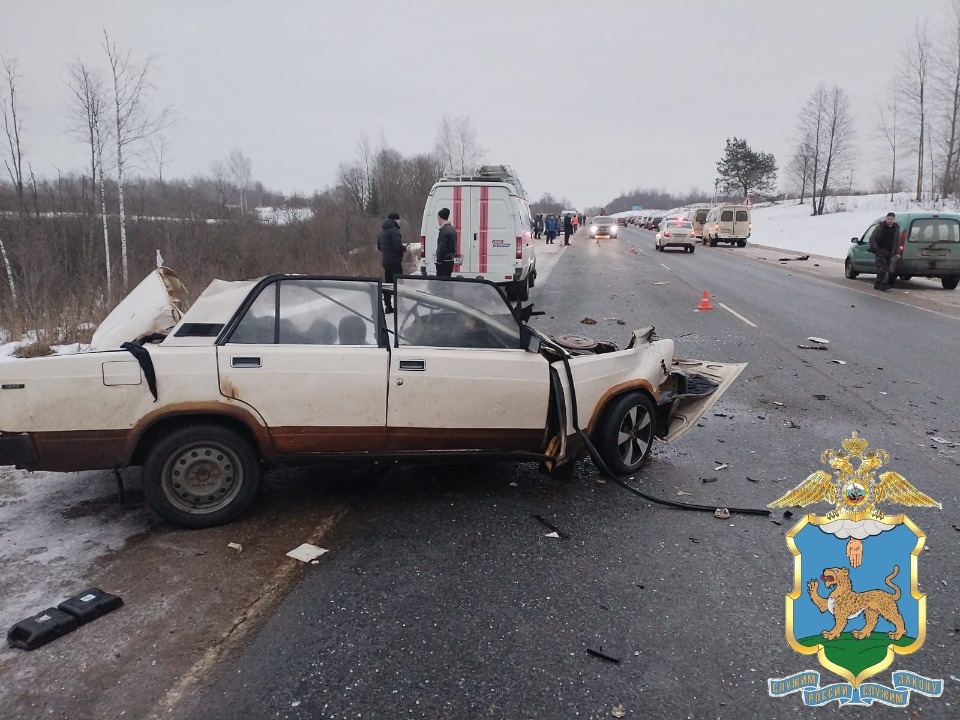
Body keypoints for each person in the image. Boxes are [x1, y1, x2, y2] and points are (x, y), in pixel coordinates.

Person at [377, 211, 406, 313]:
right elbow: (397, 246)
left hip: (386, 261)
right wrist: (404, 248)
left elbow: (379, 247)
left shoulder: (382, 231)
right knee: (399, 283)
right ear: (395, 220)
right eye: (399, 220)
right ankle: (400, 305)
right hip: (395, 262)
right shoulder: (394, 231)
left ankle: (388, 306)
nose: (400, 222)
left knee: (388, 283)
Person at [868, 212, 900, 290]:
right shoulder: (880, 227)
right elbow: (872, 239)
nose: (890, 220)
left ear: (894, 220)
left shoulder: (896, 228)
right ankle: (878, 283)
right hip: (881, 250)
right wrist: (876, 249)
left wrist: (897, 252)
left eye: (891, 219)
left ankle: (883, 284)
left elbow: (897, 241)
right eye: (888, 219)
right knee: (882, 268)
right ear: (886, 219)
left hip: (891, 251)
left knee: (889, 269)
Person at [435, 207, 457, 277]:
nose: (438, 220)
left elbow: (442, 247)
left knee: (441, 284)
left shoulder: (444, 231)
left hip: (443, 263)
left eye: (438, 218)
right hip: (450, 261)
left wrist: (438, 260)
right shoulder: (452, 229)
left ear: (440, 218)